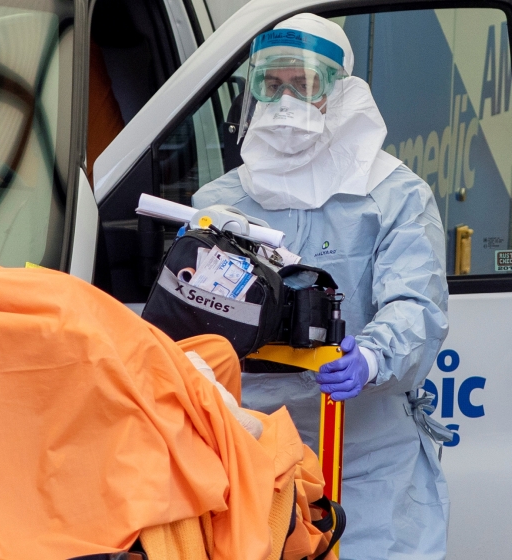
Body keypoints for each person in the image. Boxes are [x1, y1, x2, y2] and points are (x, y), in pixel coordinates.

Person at [192, 14, 452, 560]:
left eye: (305, 84)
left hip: (364, 451)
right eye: (272, 83)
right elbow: (190, 312)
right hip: (250, 446)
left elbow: (416, 302)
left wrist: (376, 357)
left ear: (341, 91)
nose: (286, 100)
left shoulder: (394, 194)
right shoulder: (218, 201)